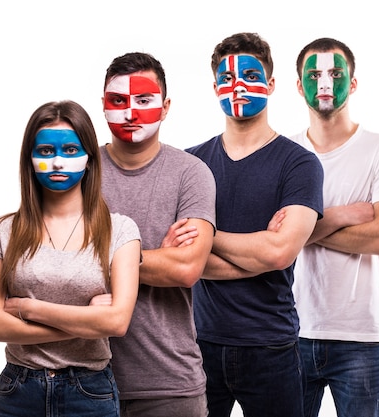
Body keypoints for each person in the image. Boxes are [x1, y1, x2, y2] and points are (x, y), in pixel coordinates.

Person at [185, 32, 324, 417]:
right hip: (197, 345)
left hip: (271, 347)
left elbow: (280, 252)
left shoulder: (299, 164)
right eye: (227, 79)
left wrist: (207, 237)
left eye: (249, 74)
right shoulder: (191, 164)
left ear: (272, 84)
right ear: (215, 88)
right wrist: (256, 248)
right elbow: (178, 260)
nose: (239, 86)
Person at [0, 100, 141, 417]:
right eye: (45, 152)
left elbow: (117, 322)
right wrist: (87, 323)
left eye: (69, 150)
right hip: (19, 390)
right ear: (30, 159)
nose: (56, 162)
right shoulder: (2, 231)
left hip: (89, 391)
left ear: (90, 159)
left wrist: (28, 308)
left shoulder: (120, 230)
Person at [289, 37, 379, 417]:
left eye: (335, 73)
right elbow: (274, 240)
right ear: (299, 86)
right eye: (314, 75)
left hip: (362, 338)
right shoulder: (284, 153)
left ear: (353, 82)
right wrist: (342, 215)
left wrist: (306, 229)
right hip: (290, 334)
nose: (324, 84)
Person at [98, 52, 217, 417]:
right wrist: (153, 256)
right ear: (103, 106)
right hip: (85, 380)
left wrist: (97, 254)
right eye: (118, 101)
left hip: (170, 383)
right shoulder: (78, 169)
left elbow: (185, 269)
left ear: (165, 107)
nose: (131, 113)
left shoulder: (191, 173)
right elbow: (51, 255)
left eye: (144, 101)